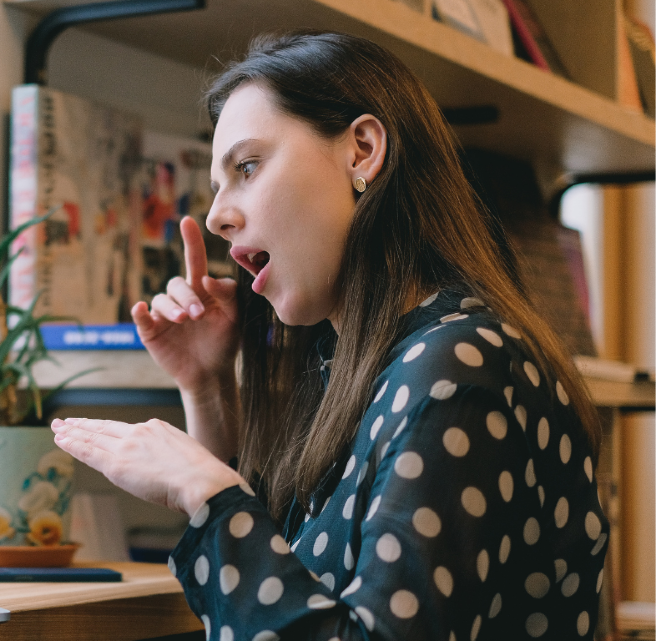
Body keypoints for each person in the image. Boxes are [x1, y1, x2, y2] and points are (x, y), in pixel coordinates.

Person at [50, 31, 607, 640]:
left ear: (362, 150)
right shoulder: (357, 365)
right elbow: (291, 597)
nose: (216, 216)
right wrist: (207, 388)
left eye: (247, 167)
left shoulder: (459, 366)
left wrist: (203, 488)